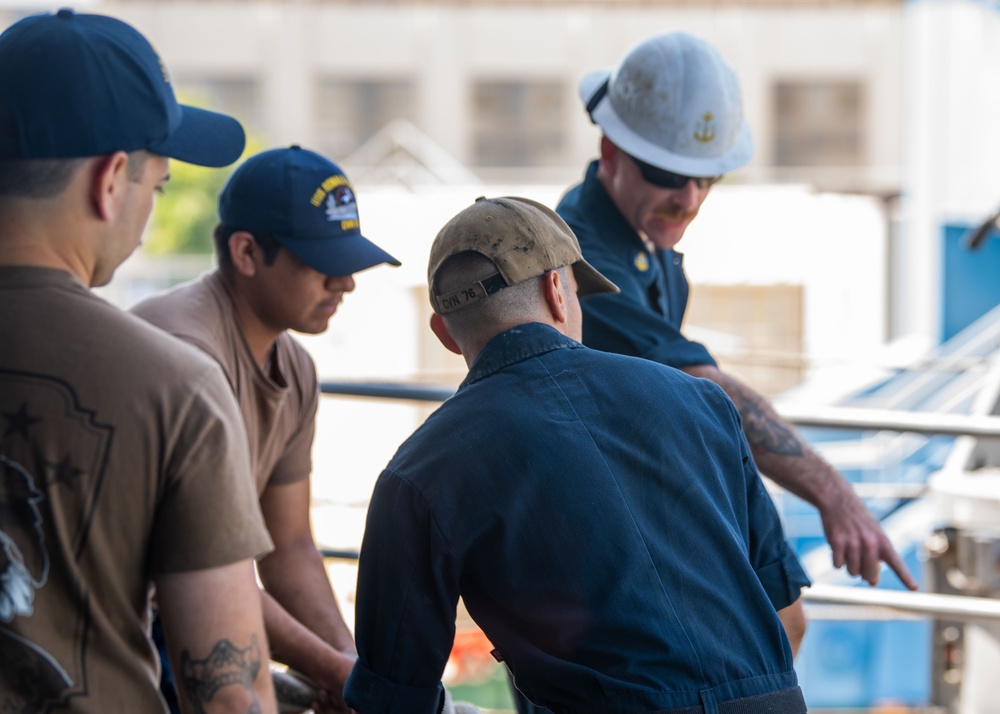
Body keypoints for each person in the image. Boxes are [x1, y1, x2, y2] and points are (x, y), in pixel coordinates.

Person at [343, 196, 808, 714]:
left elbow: (392, 698)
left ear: (444, 334)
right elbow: (789, 615)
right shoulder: (702, 402)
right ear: (556, 291)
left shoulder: (420, 470)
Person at [558, 31, 919, 596]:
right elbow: (705, 388)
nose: (692, 199)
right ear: (611, 152)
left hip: (653, 490)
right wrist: (835, 495)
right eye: (670, 176)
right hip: (605, 526)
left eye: (708, 178)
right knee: (776, 621)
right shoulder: (583, 258)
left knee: (783, 615)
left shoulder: (638, 232)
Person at [0, 9, 277, 714]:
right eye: (156, 186)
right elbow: (228, 697)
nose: (150, 209)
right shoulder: (175, 387)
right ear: (110, 179)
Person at [132, 145, 400, 713]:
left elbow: (290, 545)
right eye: (324, 263)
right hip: (135, 623)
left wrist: (349, 665)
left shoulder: (295, 367)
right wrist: (335, 671)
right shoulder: (185, 359)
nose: (346, 284)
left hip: (203, 603)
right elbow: (201, 574)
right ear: (248, 252)